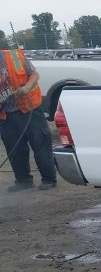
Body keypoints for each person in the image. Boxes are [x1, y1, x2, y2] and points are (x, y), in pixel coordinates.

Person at [0, 48, 57, 191]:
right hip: (6, 114)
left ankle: (49, 179)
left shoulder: (14, 57)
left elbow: (34, 75)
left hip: (29, 108)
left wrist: (26, 87)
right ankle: (23, 180)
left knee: (40, 144)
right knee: (15, 150)